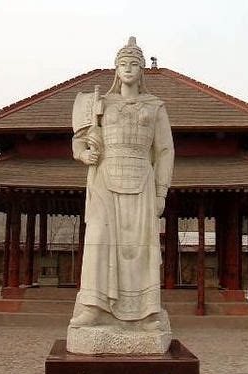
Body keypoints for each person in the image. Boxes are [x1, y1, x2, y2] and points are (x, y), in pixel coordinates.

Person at [69, 37, 174, 332]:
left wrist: (161, 191)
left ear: (142, 70)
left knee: (139, 247)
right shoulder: (100, 103)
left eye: (134, 64)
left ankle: (146, 310)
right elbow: (80, 141)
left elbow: (165, 151)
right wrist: (85, 153)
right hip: (104, 176)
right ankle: (93, 306)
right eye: (123, 64)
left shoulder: (155, 106)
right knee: (99, 241)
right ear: (116, 69)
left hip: (141, 178)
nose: (128, 69)